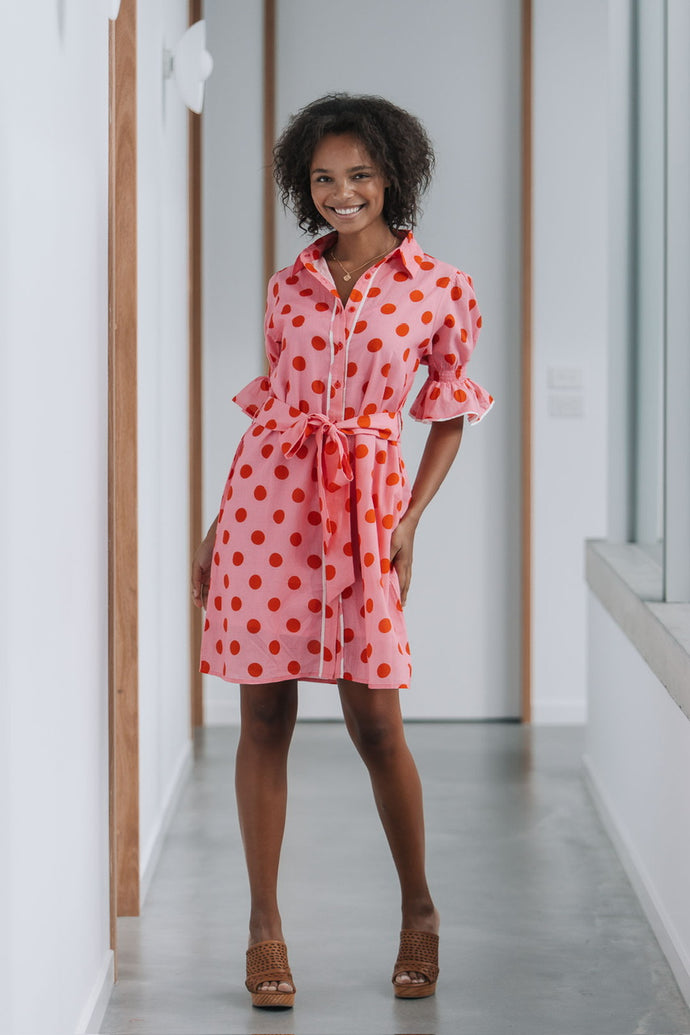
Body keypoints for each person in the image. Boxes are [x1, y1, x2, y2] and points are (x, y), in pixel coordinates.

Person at [191, 93, 493, 1009]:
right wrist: (217, 524)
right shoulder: (291, 285)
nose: (341, 193)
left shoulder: (441, 287)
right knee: (262, 721)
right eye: (324, 178)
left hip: (366, 514)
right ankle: (263, 927)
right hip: (268, 511)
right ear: (302, 185)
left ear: (392, 173)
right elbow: (271, 412)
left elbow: (450, 414)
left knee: (377, 725)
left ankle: (421, 911)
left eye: (358, 175)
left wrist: (408, 522)